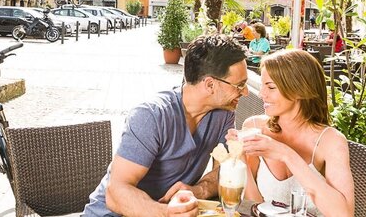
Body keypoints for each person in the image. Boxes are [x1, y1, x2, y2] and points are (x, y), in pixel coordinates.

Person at [84, 35, 248, 216]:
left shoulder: (224, 114)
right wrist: (167, 213)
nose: (246, 92)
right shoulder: (151, 116)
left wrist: (199, 190)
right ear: (210, 85)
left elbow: (225, 170)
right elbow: (116, 193)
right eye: (240, 85)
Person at [233, 49, 354, 216]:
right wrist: (240, 158)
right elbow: (254, 205)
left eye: (271, 87)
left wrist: (287, 155)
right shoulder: (254, 127)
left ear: (299, 89)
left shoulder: (330, 141)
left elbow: (344, 214)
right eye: (262, 86)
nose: (261, 94)